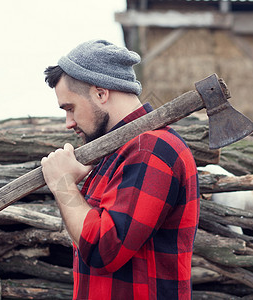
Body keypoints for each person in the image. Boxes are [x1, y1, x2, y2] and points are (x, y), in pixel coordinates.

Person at [41, 39, 200, 300]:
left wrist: (63, 184)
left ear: (101, 93)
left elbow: (103, 249)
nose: (68, 123)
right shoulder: (118, 152)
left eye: (70, 108)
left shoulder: (151, 149)